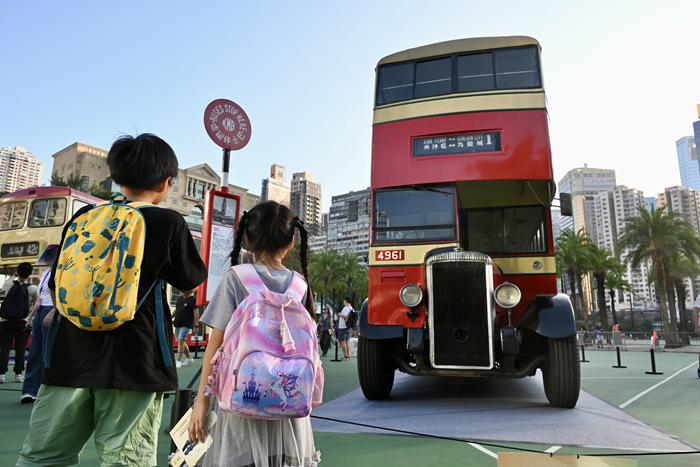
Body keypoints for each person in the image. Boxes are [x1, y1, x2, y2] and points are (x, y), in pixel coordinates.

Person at [17, 133, 208, 467]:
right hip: (135, 360)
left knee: (44, 456)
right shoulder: (168, 222)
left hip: (68, 355)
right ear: (166, 182)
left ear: (119, 177)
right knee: (126, 459)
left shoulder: (83, 217)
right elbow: (190, 282)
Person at [190, 201, 321, 467]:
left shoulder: (237, 277)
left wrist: (201, 402)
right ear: (291, 242)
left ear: (247, 239)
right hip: (289, 405)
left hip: (242, 404)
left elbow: (214, 346)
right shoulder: (299, 284)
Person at [20, 249, 58, 403]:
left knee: (47, 352)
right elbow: (40, 299)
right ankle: (29, 390)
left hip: (51, 311)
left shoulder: (60, 272)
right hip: (41, 312)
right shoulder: (46, 274)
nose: (47, 260)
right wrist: (30, 317)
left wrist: (55, 311)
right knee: (35, 351)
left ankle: (45, 390)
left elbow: (61, 294)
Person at [0, 262, 39, 384]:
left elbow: (1, 299)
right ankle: (18, 374)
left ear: (17, 271)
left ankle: (1, 375)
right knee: (20, 348)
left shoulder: (7, 284)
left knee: (4, 348)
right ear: (30, 273)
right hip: (22, 322)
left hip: (5, 321)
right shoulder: (33, 288)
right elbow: (36, 305)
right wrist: (30, 318)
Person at [173, 292, 199, 368]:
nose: (181, 291)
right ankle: (189, 358)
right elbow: (176, 310)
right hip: (177, 323)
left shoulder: (193, 300)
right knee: (181, 341)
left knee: (181, 340)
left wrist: (196, 325)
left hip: (187, 324)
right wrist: (170, 317)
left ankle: (178, 361)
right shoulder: (180, 298)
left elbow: (196, 313)